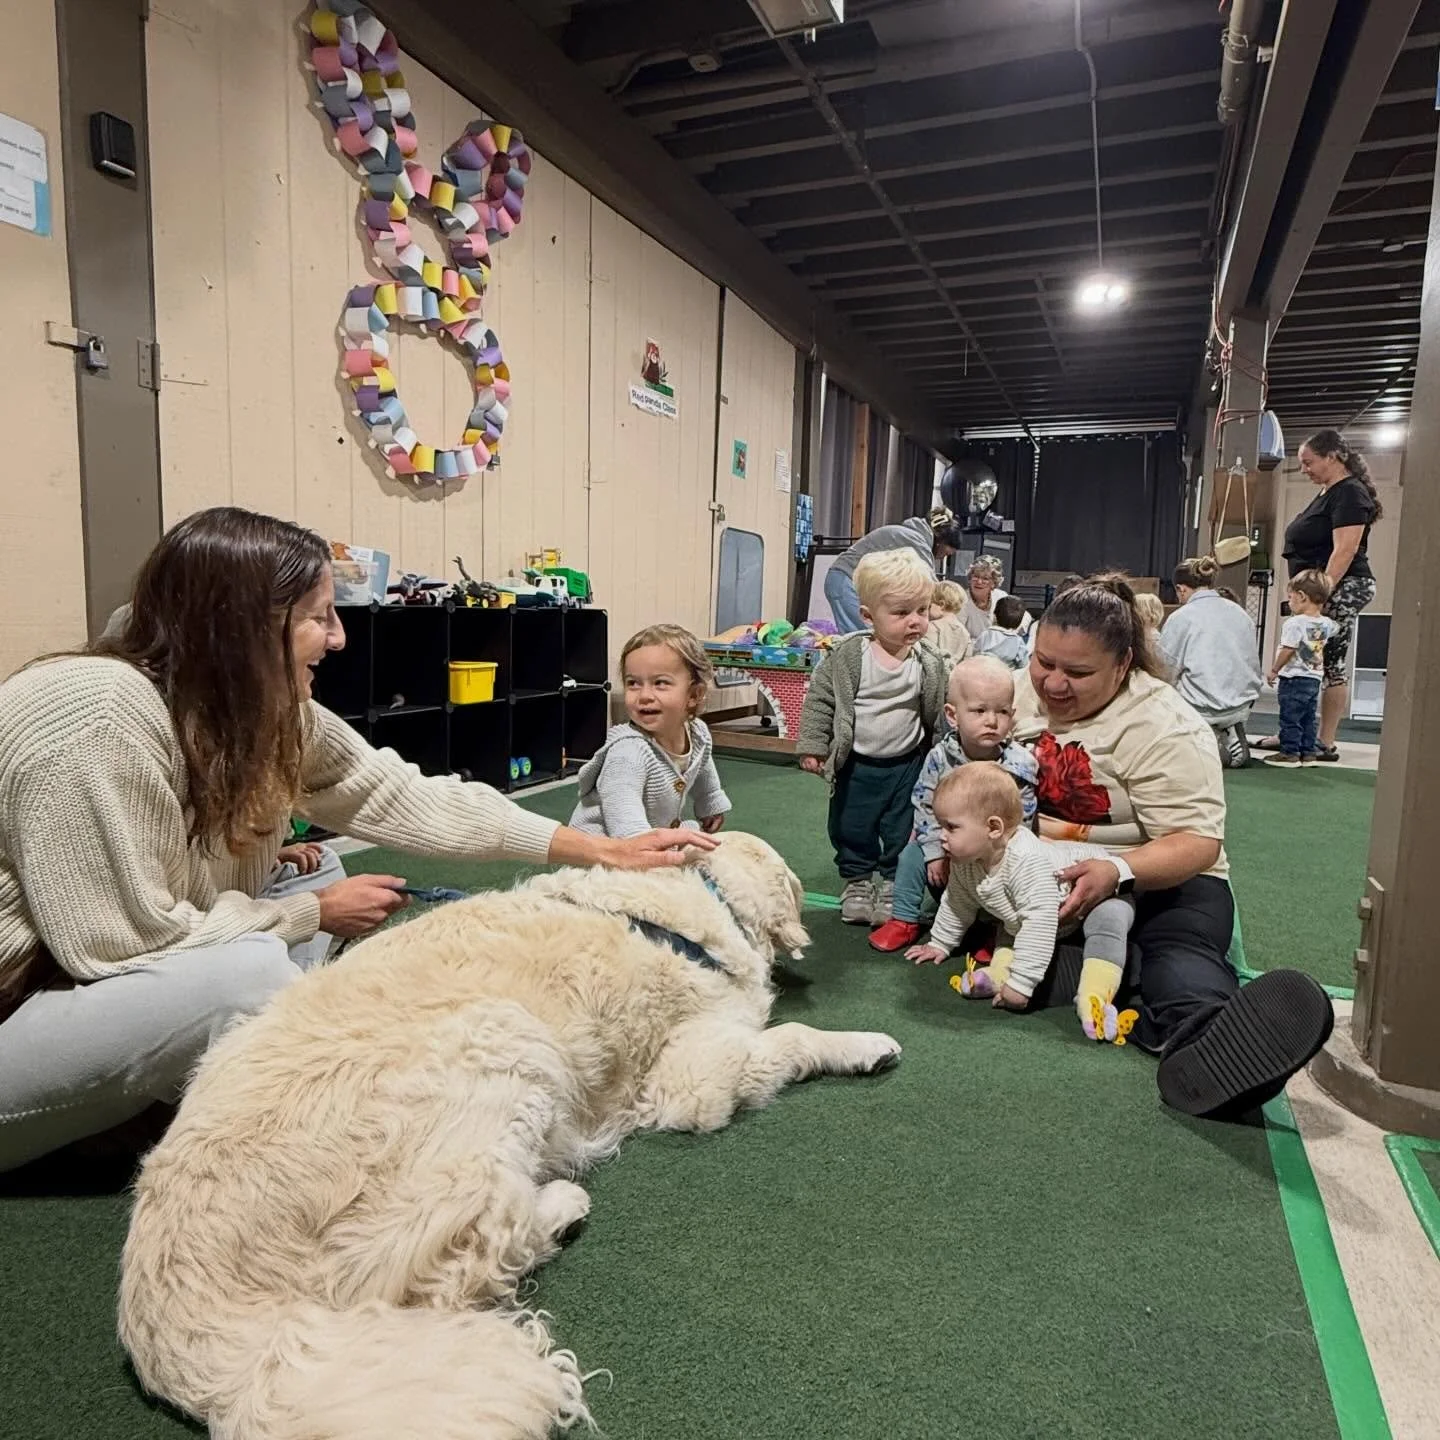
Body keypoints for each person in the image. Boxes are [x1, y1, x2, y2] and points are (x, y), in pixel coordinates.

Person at [0, 507, 713, 1174]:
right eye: (319, 617)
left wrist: (595, 849)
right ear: (242, 624)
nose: (339, 637)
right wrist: (311, 915)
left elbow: (393, 792)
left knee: (314, 871)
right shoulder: (96, 714)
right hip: (30, 1005)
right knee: (244, 976)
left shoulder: (256, 703)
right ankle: (286, 1103)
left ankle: (221, 1066)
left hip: (101, 975)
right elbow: (121, 948)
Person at [1014, 573, 1333, 1118]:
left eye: (1078, 673)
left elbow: (1197, 843)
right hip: (1047, 878)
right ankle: (1107, 969)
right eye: (1044, 662)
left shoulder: (1166, 724)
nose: (1054, 684)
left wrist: (1116, 870)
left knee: (1178, 960)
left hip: (1164, 880)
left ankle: (1205, 1042)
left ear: (1123, 665)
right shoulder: (1013, 691)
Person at [905, 764, 1138, 1044]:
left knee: (1107, 922)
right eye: (941, 825)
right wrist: (940, 943)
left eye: (951, 827)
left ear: (993, 828)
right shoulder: (966, 861)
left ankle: (1095, 995)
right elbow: (957, 902)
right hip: (1037, 919)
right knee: (1010, 925)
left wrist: (1021, 985)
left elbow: (1039, 924)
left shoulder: (1025, 862)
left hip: (1100, 895)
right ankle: (999, 974)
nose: (941, 835)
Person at [797, 549, 948, 927]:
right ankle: (858, 883)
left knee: (903, 827)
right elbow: (821, 698)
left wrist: (948, 751)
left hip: (908, 764)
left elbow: (943, 707)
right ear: (868, 616)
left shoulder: (928, 660)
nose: (915, 621)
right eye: (901, 612)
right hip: (857, 764)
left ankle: (896, 884)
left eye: (922, 610)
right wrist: (814, 744)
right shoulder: (850, 655)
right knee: (851, 825)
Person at [868, 656, 1036, 953]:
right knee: (911, 855)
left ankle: (995, 929)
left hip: (994, 854)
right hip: (947, 848)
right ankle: (904, 918)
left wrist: (996, 853)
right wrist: (934, 850)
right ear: (952, 715)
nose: (992, 721)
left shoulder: (1018, 765)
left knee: (1014, 875)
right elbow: (924, 804)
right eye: (979, 710)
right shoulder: (939, 758)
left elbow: (1023, 817)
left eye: (1002, 711)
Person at [1259, 428, 1382, 761]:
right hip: (1320, 592)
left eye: (1309, 462)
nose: (1304, 469)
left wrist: (1320, 595)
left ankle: (1323, 742)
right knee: (1308, 663)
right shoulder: (1329, 492)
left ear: (1333, 457)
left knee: (1327, 664)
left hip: (1341, 587)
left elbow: (1345, 549)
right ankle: (1295, 735)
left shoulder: (1350, 492)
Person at [570, 624, 731, 835]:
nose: (644, 695)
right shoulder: (628, 753)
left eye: (660, 683)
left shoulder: (698, 733)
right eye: (633, 683)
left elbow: (704, 772)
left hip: (652, 829)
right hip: (605, 839)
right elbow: (623, 812)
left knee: (694, 838)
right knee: (689, 840)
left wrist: (710, 803)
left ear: (694, 695)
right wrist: (644, 845)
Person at [1158, 555, 1264, 769]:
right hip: (1243, 702)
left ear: (1181, 589)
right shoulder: (1240, 613)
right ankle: (1227, 731)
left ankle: (1207, 742)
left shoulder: (1181, 617)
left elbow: (1165, 668)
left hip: (1200, 706)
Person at [823, 507, 963, 634]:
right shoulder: (915, 540)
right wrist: (947, 612)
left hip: (848, 580)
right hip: (846, 580)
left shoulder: (909, 535)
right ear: (940, 542)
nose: (941, 558)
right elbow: (929, 587)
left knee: (870, 636)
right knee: (862, 637)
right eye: (945, 553)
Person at [1264, 571, 1337, 768]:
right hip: (1314, 677)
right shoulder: (1326, 623)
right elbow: (1335, 629)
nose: (1289, 603)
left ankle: (1290, 753)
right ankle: (1308, 753)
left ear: (1302, 596)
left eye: (1290, 597)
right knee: (1308, 718)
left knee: (1290, 716)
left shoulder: (1294, 623)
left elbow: (1289, 649)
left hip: (1293, 677)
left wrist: (1275, 669)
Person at [958, 556, 1031, 644]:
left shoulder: (1000, 596)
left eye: (985, 578)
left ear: (993, 583)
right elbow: (958, 636)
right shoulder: (961, 600)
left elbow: (1025, 616)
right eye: (976, 576)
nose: (979, 582)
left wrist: (1011, 633)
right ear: (970, 578)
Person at [975, 595, 1030, 670]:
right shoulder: (1018, 641)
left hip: (984, 671)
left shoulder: (985, 635)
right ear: (1019, 623)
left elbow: (975, 653)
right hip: (1006, 674)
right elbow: (1023, 663)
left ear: (994, 616)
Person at [927, 580, 973, 667]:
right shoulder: (965, 633)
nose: (927, 611)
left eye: (929, 606)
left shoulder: (931, 627)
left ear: (941, 605)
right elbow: (967, 661)